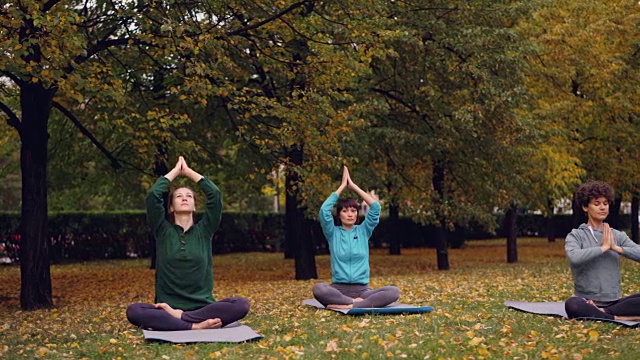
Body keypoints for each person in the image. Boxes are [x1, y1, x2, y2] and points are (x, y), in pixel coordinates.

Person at [126, 156, 250, 330]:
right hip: (167, 308)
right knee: (134, 311)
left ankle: (183, 320)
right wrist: (176, 171)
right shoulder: (162, 230)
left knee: (241, 304)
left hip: (202, 308)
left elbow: (215, 195)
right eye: (178, 196)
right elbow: (153, 195)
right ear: (170, 207)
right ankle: (194, 327)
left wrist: (189, 172)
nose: (184, 198)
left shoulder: (204, 230)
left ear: (194, 205)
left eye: (189, 196)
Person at [312, 166, 400, 309]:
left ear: (357, 214)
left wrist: (353, 186)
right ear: (339, 215)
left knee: (393, 292)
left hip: (362, 291)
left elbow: (376, 207)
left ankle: (350, 305)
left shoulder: (364, 230)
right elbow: (324, 211)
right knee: (319, 289)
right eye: (345, 211)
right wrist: (341, 187)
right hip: (338, 290)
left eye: (353, 211)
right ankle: (355, 303)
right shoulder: (332, 232)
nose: (350, 214)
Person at [564, 180, 640, 321]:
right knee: (572, 305)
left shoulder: (616, 235)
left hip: (614, 303)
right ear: (585, 207)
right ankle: (617, 318)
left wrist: (617, 248)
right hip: (585, 301)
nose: (602, 208)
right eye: (597, 203)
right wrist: (603, 248)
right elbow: (574, 257)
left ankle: (604, 313)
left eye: (605, 204)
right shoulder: (576, 235)